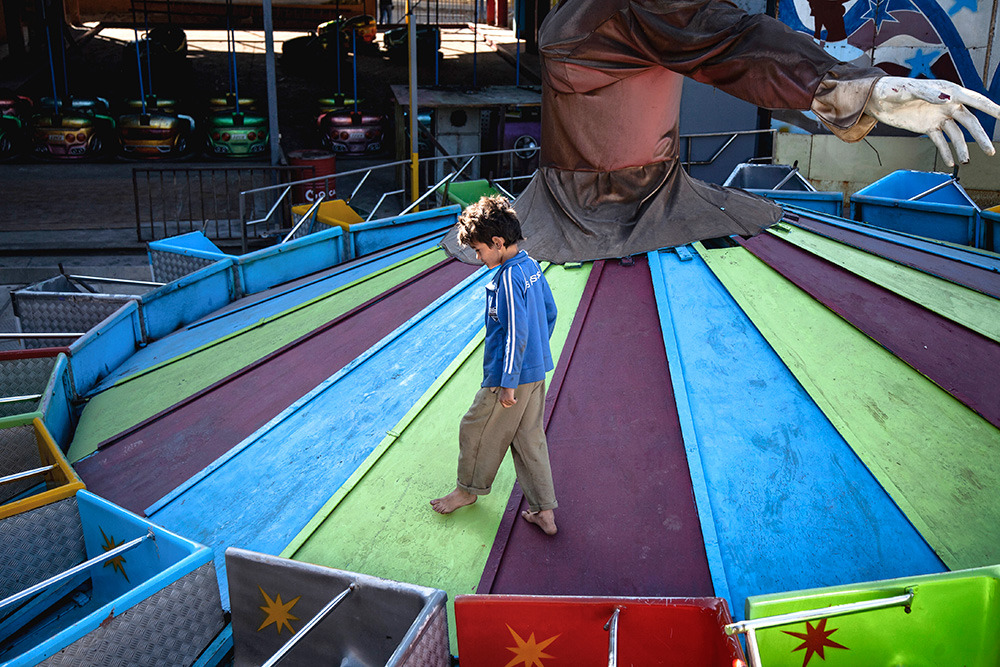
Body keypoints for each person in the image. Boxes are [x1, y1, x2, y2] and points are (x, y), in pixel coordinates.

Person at [441, 0, 1000, 265]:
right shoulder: (605, 12)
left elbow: (730, 38)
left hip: (619, 202)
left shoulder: (601, 13)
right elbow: (725, 38)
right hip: (588, 208)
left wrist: (858, 87)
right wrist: (857, 87)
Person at [430, 196, 560, 536]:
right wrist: (536, 356)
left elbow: (515, 330)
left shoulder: (508, 279)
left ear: (498, 243)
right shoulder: (531, 267)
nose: (478, 257)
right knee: (528, 439)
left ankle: (466, 491)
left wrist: (508, 382)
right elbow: (550, 312)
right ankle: (544, 510)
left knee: (474, 428)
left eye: (479, 250)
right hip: (535, 372)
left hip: (508, 378)